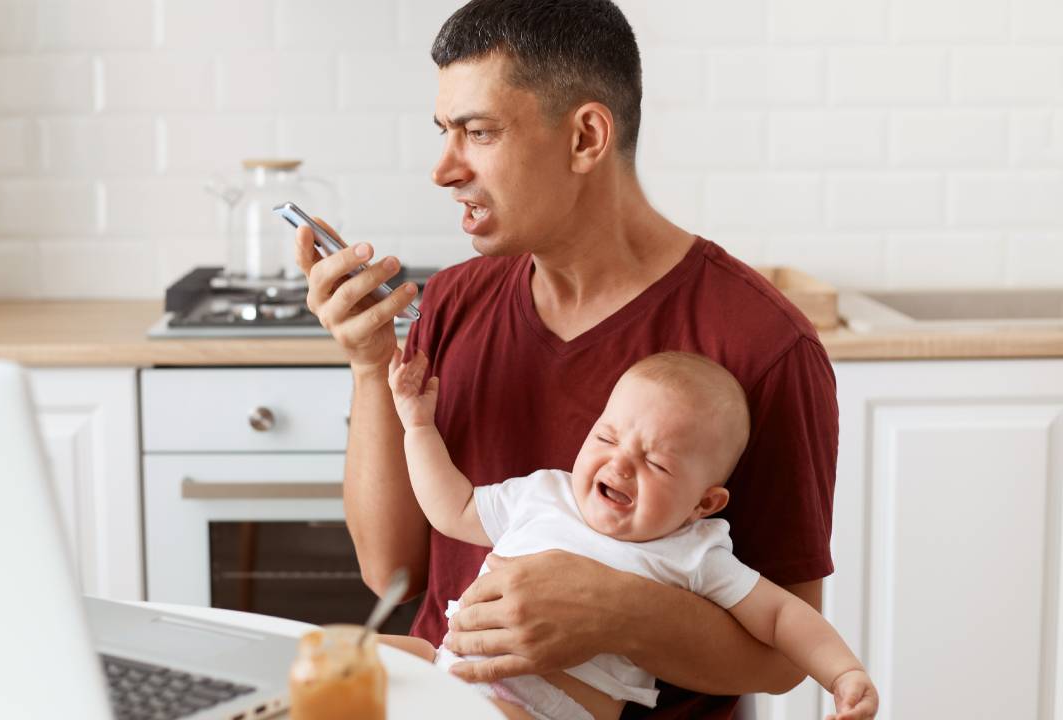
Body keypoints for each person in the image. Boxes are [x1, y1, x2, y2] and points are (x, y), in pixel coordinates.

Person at [291, 0, 840, 716]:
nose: (444, 169)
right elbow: (390, 573)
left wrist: (616, 611)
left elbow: (780, 660)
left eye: (478, 133)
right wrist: (369, 367)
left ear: (585, 137)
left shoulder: (762, 345)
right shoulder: (452, 302)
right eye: (444, 134)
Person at [379, 351, 876, 720]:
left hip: (546, 710)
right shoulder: (545, 494)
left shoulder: (693, 552)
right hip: (448, 665)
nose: (619, 463)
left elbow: (783, 615)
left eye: (656, 463)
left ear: (703, 503)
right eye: (606, 437)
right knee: (350, 656)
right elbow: (453, 508)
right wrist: (418, 427)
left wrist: (843, 673)